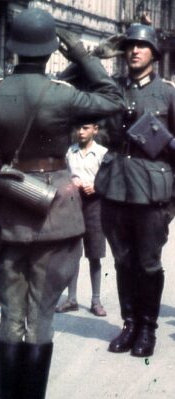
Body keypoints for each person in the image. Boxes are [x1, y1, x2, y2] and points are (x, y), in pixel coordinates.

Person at [0, 8, 124, 399]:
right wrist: (84, 57)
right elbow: (114, 97)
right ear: (51, 47)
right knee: (41, 317)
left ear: (13, 48)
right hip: (56, 215)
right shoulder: (63, 95)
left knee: (10, 315)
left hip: (6, 214)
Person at [95, 24, 175, 357]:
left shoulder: (168, 94)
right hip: (116, 186)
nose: (134, 51)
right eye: (129, 46)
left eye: (142, 46)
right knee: (123, 260)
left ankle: (147, 328)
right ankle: (128, 325)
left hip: (152, 190)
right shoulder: (113, 89)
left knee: (148, 263)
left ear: (154, 54)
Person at [56, 122, 108, 317]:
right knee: (72, 253)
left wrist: (96, 186)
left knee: (94, 254)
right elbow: (62, 175)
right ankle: (71, 299)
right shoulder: (70, 152)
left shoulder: (102, 153)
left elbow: (110, 178)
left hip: (95, 206)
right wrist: (71, 183)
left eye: (85, 128)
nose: (80, 132)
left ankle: (96, 300)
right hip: (74, 205)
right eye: (78, 128)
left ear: (95, 129)